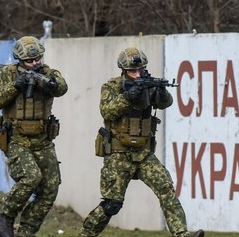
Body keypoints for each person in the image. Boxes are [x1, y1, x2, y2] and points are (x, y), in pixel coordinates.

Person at [78, 47, 204, 237]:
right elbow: (107, 111)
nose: (137, 74)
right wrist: (128, 96)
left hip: (143, 153)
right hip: (119, 153)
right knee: (113, 203)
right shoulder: (112, 86)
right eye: (132, 71)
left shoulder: (148, 84)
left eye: (140, 70)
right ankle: (85, 234)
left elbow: (165, 103)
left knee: (165, 188)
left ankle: (181, 233)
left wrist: (159, 92)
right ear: (124, 71)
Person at [0, 36, 68, 237]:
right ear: (19, 59)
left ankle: (26, 232)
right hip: (17, 138)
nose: (34, 64)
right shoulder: (8, 73)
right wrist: (17, 85)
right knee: (30, 177)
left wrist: (44, 81)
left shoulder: (48, 72)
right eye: (29, 61)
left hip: (42, 140)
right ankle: (6, 216)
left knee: (50, 189)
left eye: (37, 60)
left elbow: (61, 87)